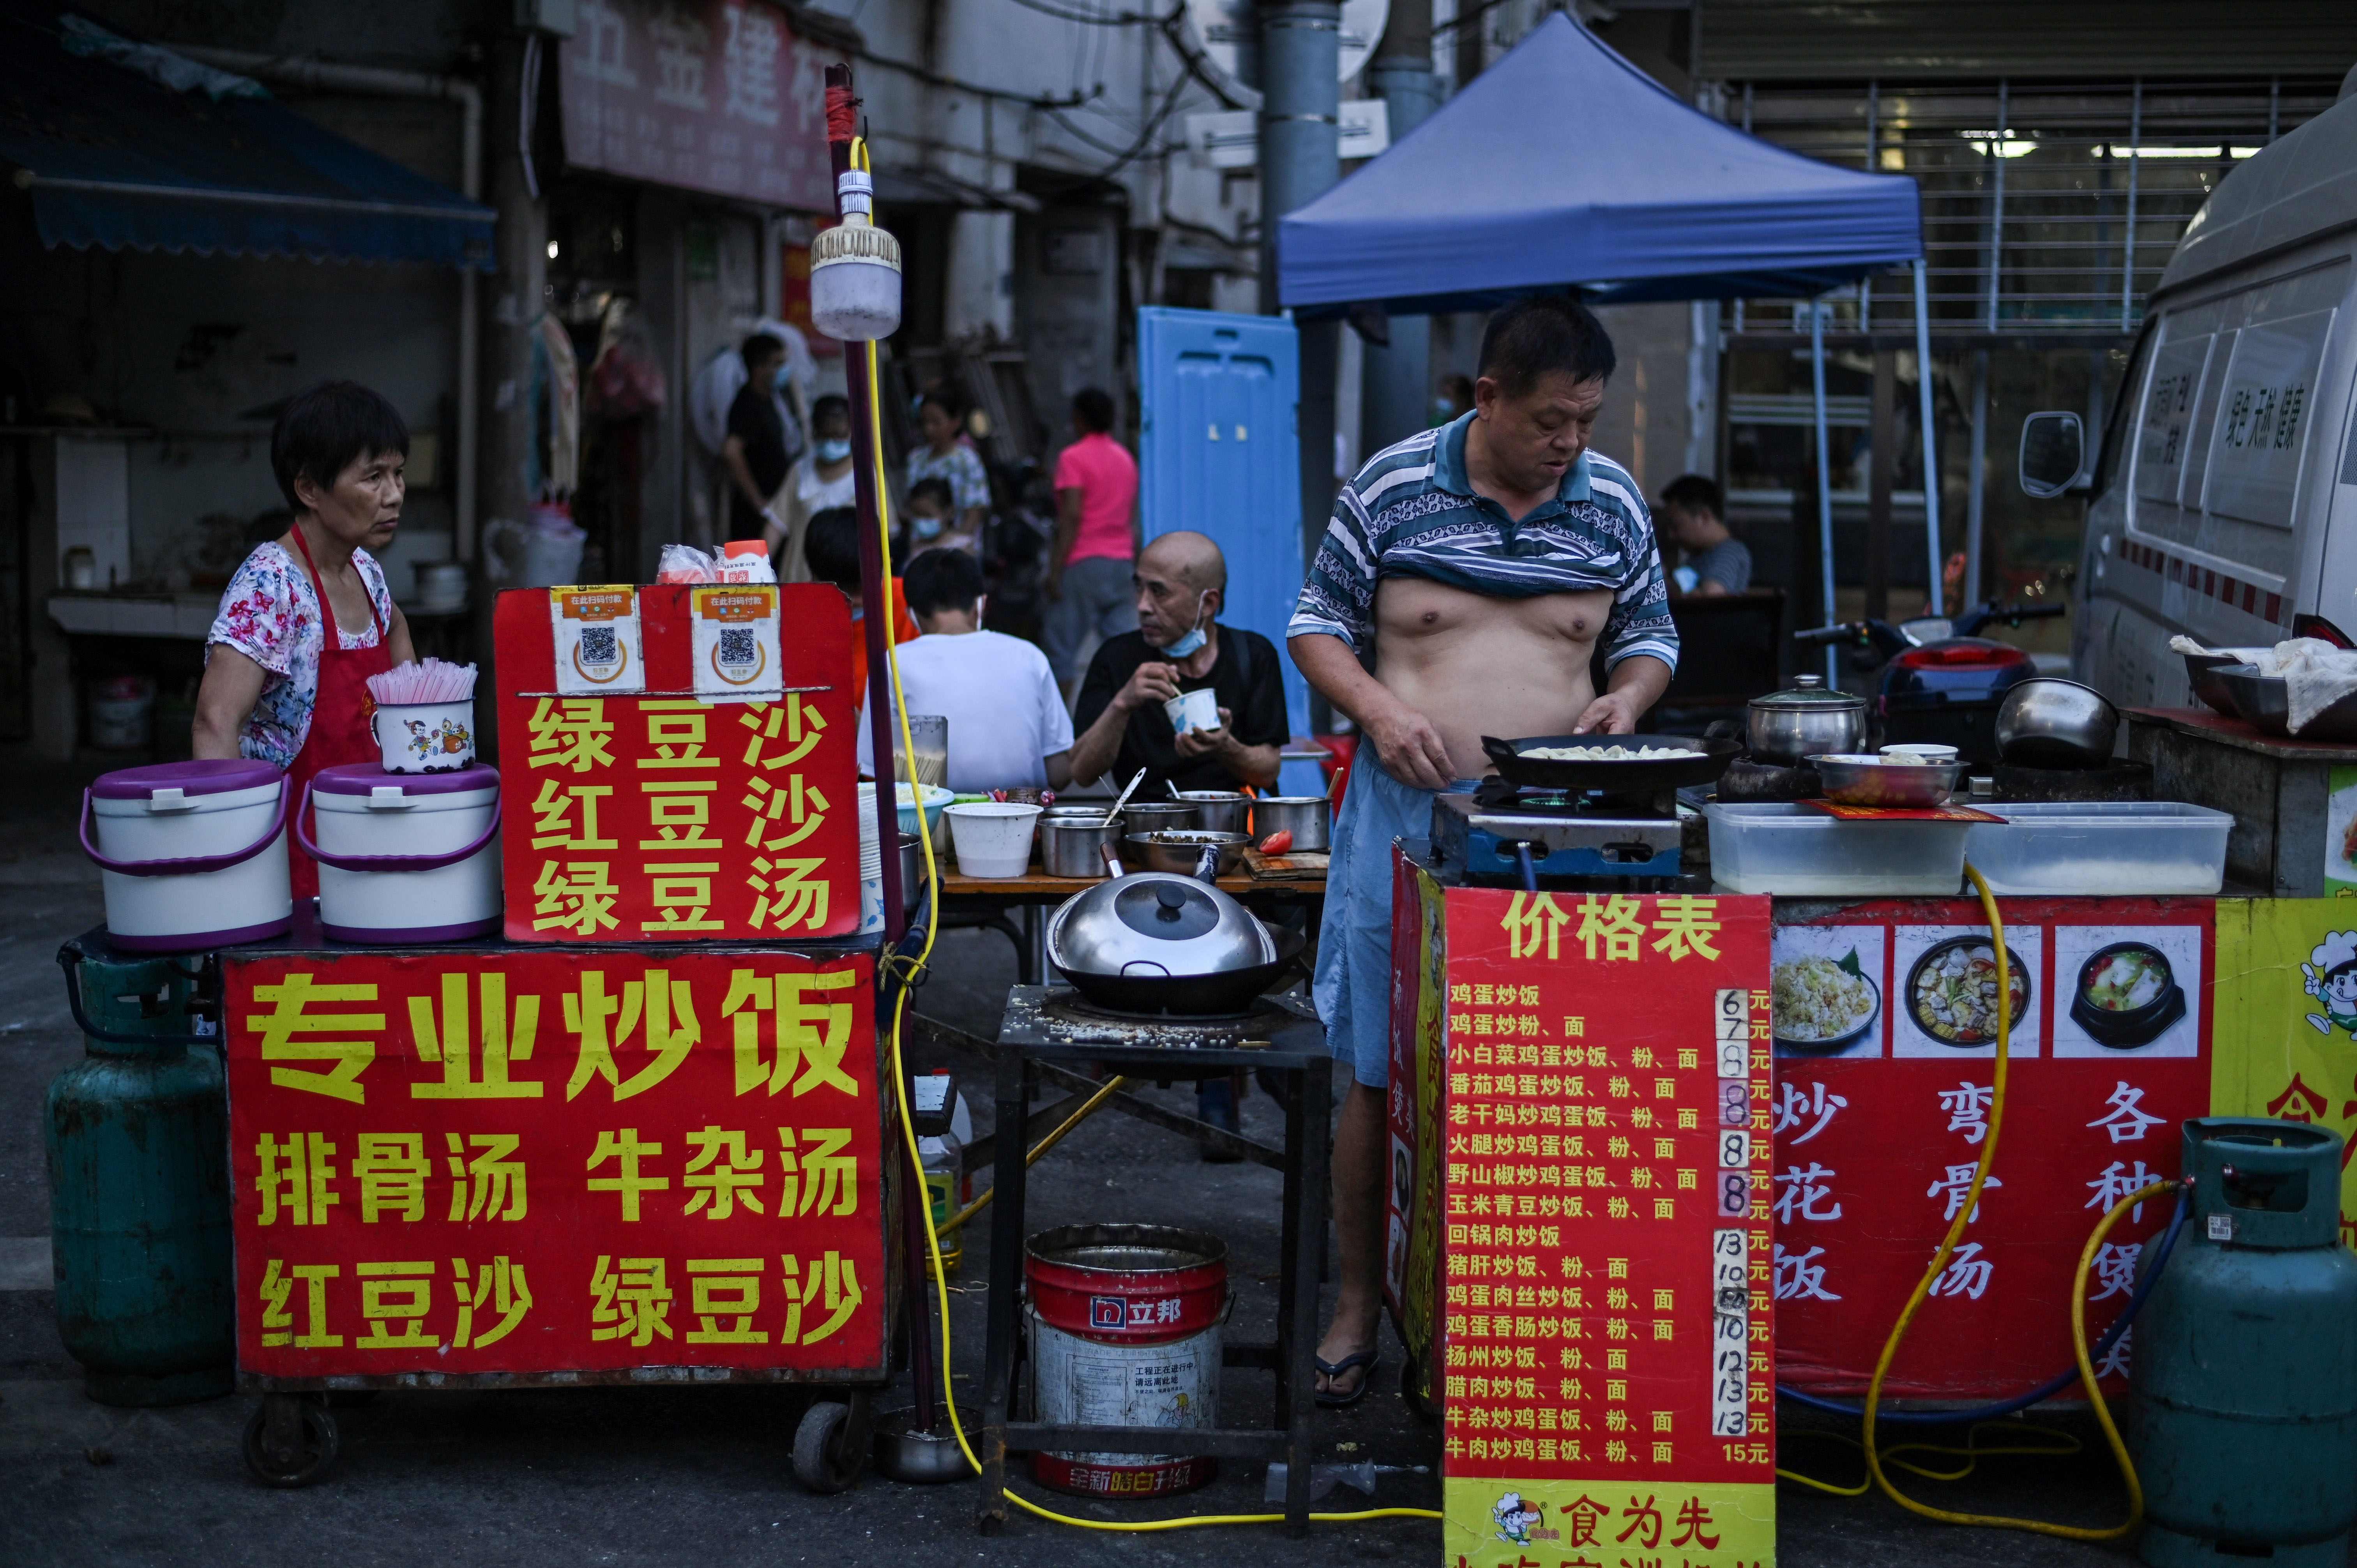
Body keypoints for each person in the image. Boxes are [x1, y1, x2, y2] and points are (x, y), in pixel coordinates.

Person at [1288, 295, 1677, 1405]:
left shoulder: (1609, 502)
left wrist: (1629, 697)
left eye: (1587, 422)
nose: (1570, 444)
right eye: (1552, 421)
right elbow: (1316, 623)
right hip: (1404, 821)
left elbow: (1648, 632)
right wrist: (1375, 708)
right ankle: (1359, 1304)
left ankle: (1525, 1319)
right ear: (1487, 396)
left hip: (1557, 828)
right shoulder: (1395, 485)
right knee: (1376, 1068)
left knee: (1548, 1074)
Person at [193, 381, 418, 901]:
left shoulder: (366, 572)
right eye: (373, 477)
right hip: (289, 852)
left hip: (370, 838)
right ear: (310, 489)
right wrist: (236, 868)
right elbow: (215, 721)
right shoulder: (270, 586)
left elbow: (399, 636)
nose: (395, 494)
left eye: (398, 474)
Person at [1071, 530, 1286, 798]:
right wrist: (1123, 704)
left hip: (1230, 829)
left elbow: (1268, 772)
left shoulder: (1253, 655)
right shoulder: (1116, 657)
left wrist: (1225, 746)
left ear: (1207, 603)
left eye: (1159, 592)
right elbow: (1082, 773)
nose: (1143, 605)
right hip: (1143, 830)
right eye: (1139, 587)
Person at [854, 548, 1073, 793]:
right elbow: (1061, 772)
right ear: (981, 605)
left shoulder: (893, 664)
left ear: (912, 614)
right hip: (1022, 823)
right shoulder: (1030, 657)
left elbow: (869, 771)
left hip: (930, 826)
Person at [1043, 387, 1140, 686]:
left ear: (1079, 419)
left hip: (1083, 563)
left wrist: (1056, 571)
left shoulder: (1073, 458)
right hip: (1122, 564)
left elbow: (1071, 516)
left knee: (1061, 650)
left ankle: (1059, 727)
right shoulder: (1125, 459)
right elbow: (1131, 514)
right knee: (1127, 651)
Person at [803, 506, 919, 705]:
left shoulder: (911, 601)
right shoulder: (796, 614)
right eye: (842, 589)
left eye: (863, 588)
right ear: (814, 577)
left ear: (886, 565)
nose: (855, 600)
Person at [771, 393, 857, 581]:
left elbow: (884, 533)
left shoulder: (865, 476)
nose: (831, 443)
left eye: (839, 436)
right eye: (825, 436)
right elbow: (776, 524)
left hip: (847, 578)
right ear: (815, 433)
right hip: (799, 574)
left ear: (852, 432)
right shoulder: (800, 470)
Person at [722, 332, 796, 545]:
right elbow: (731, 451)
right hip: (755, 517)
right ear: (759, 368)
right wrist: (760, 504)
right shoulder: (747, 404)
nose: (783, 370)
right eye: (778, 363)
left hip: (774, 507)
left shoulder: (770, 399)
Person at [905, 391, 990, 541]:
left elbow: (974, 512)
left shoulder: (967, 459)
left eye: (936, 422)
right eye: (924, 422)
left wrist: (955, 544)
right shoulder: (916, 459)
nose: (928, 429)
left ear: (955, 422)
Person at [1657, 474, 1751, 596]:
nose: (1672, 535)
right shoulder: (1699, 556)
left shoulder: (1730, 552)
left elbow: (1711, 597)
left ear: (1704, 517)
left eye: (1676, 526)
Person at [901, 477, 974, 556]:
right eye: (917, 515)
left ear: (949, 513)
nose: (921, 520)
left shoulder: (963, 547)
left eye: (927, 515)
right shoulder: (913, 548)